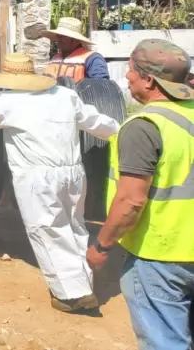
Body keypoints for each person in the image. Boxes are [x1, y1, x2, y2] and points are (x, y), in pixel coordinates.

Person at [0, 53, 119, 313]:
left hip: (37, 177)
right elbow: (94, 121)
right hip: (73, 173)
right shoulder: (65, 95)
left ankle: (71, 296)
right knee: (74, 227)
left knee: (48, 231)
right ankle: (85, 284)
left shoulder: (8, 102)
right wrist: (121, 128)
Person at [87, 39, 194, 350]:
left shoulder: (145, 126)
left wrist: (102, 245)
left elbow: (131, 201)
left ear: (149, 80)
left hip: (162, 255)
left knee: (166, 341)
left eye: (131, 69)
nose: (127, 76)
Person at [41, 17, 109, 82]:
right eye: (58, 35)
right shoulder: (55, 59)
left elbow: (101, 86)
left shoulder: (92, 59)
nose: (58, 39)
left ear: (74, 39)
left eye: (62, 36)